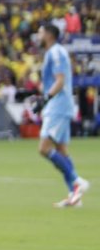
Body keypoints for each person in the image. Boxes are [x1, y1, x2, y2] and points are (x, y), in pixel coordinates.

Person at [34, 23, 89, 207]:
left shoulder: (56, 52)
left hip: (57, 106)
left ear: (49, 35)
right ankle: (75, 197)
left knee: (44, 148)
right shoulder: (55, 52)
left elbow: (60, 81)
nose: (38, 35)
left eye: (40, 32)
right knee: (62, 151)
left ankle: (76, 182)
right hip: (60, 105)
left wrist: (46, 99)